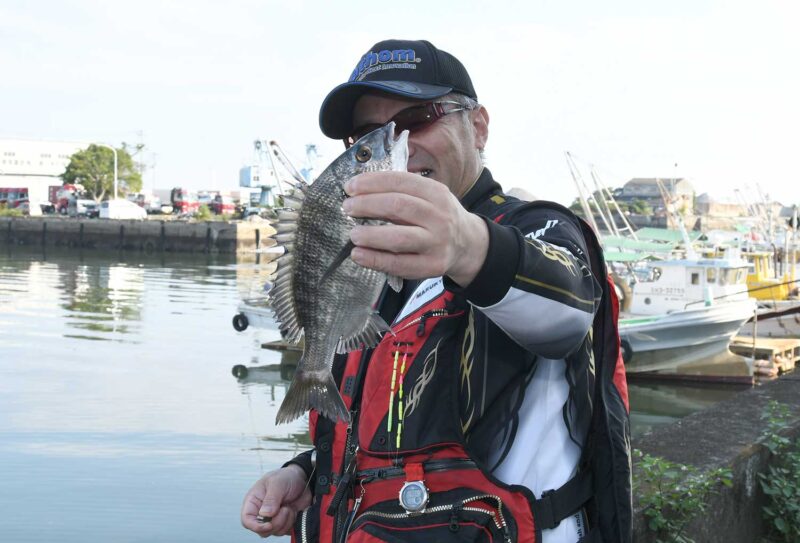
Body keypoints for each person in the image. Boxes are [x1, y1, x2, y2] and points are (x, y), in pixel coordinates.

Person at [242, 39, 632, 543]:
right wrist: (306, 474)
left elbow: (570, 311)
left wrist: (468, 247)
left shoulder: (538, 229)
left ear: (479, 126)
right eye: (368, 134)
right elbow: (383, 423)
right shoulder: (365, 264)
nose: (397, 144)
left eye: (418, 117)